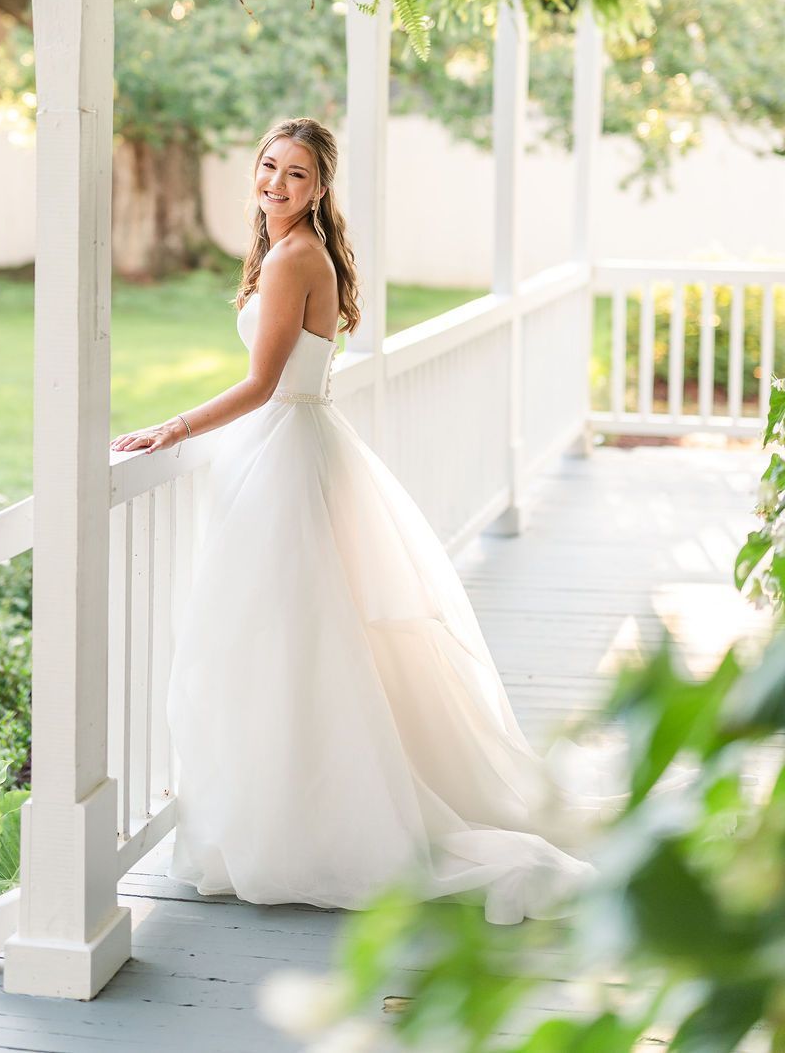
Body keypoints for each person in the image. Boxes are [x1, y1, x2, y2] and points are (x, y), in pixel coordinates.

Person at [109, 116, 597, 926]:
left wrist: (173, 428)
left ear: (321, 187)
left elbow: (264, 381)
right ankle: (277, 809)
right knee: (289, 642)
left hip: (287, 456)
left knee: (278, 643)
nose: (275, 183)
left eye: (296, 174)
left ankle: (301, 824)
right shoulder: (291, 250)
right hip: (296, 448)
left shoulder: (296, 255)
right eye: (268, 166)